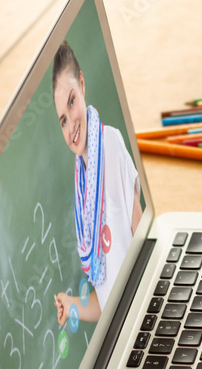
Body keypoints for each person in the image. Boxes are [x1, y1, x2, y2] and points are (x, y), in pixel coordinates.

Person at [51, 40, 142, 327]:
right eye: (62, 120)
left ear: (82, 84)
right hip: (123, 326)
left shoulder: (110, 145)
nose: (71, 126)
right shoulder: (82, 188)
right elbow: (107, 300)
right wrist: (73, 305)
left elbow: (142, 235)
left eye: (72, 101)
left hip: (140, 313)